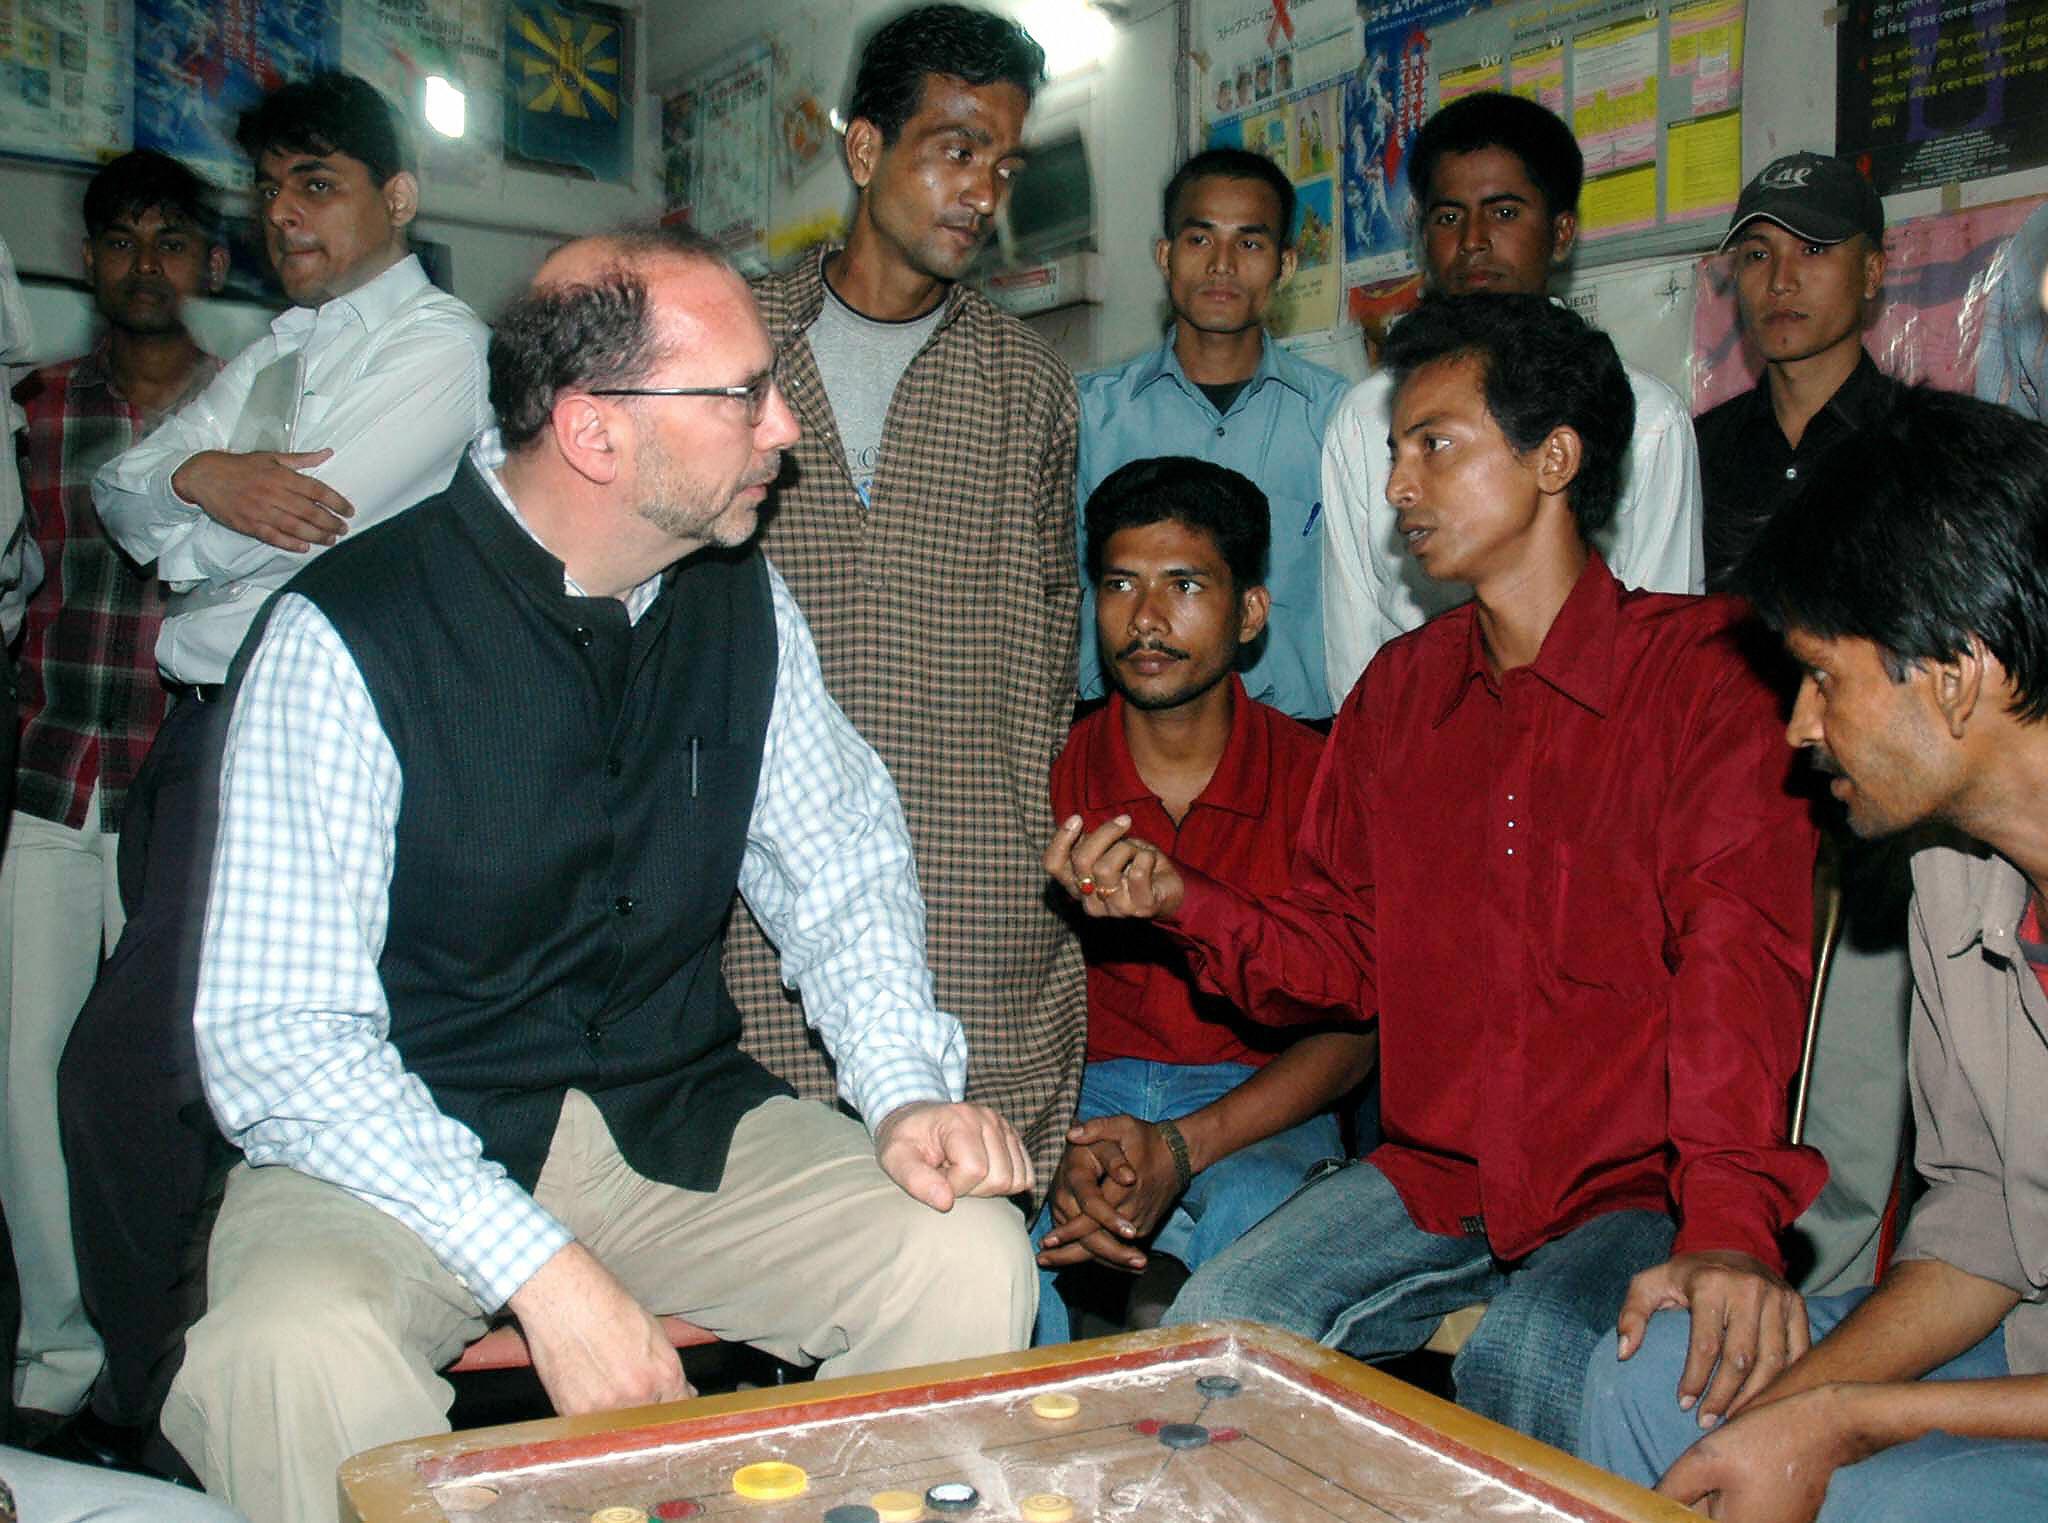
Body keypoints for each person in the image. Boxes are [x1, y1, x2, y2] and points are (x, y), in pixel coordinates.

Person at [162, 226, 1036, 1523]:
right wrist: (544, 1271)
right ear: (594, 433)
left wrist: (906, 1084)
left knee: (960, 1249)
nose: (783, 425)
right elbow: (280, 1037)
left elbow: (837, 858)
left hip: (661, 1114)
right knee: (284, 1355)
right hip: (395, 1136)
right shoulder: (349, 631)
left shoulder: (739, 600)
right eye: (742, 393)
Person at [1048, 294, 1822, 1452]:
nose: (1397, 484)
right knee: (1222, 1335)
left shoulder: (1703, 674)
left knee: (1531, 1360)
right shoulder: (1400, 694)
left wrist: (1722, 1219)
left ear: (1554, 457)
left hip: (1632, 1181)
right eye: (1393, 450)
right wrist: (1179, 899)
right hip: (1436, 1172)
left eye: (1433, 445)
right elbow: (1339, 961)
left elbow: (1735, 969)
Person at [60, 71, 490, 1446]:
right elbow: (123, 491)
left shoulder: (443, 343)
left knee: (126, 1077)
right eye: (271, 187)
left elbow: (309, 522)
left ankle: (157, 1403)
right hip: (190, 736)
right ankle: (205, 1398)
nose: (282, 213)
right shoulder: (278, 348)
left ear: (397, 198)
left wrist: (211, 500)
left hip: (291, 728)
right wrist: (201, 480)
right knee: (196, 1085)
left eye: (318, 184)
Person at [1581, 385, 2048, 1523]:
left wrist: (1843, 1420)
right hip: (2015, 1354)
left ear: (1953, 674)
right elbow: (1981, 1219)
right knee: (1654, 1378)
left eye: (1823, 678)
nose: (1795, 724)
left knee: (1865, 1498)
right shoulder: (1950, 869)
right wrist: (1772, 1418)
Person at [733, 5, 1086, 1193]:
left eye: (1000, 161)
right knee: (767, 1254)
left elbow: (1050, 659)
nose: (980, 190)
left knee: (973, 1240)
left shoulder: (1026, 386)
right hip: (754, 898)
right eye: (951, 148)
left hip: (979, 893)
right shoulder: (730, 352)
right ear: (863, 149)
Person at [1033, 456, 1371, 1343]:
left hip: (1260, 1101)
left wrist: (1185, 1143)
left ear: (1250, 611)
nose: (1146, 619)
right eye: (1119, 584)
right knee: (987, 1257)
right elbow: (992, 1007)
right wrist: (1057, 1142)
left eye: (1185, 584)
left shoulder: (1321, 778)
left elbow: (1357, 1032)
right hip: (1074, 1094)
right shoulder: (1048, 769)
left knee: (1261, 1233)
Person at [2, 151, 225, 1447]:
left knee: (166, 1083)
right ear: (91, 258)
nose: (148, 262)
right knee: (25, 1077)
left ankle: (174, 1343)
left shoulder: (244, 405)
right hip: (48, 782)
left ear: (207, 260)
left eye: (173, 239)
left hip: (185, 796)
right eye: (123, 240)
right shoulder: (34, 407)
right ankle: (52, 1351)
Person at [1696, 151, 1914, 1299]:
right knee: (1723, 1072)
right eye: (1756, 253)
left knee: (1847, 1086)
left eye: (1814, 251)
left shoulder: (1920, 447)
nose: (1781, 279)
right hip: (1717, 822)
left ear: (1873, 272)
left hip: (1864, 823)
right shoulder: (1692, 455)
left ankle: (1824, 1317)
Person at [1319, 91, 1702, 705]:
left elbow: (1665, 637)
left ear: (1560, 232)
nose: (1472, 240)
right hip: (1420, 748)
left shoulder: (1646, 417)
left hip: (1595, 755)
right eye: (1448, 217)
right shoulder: (1365, 417)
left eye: (1503, 213)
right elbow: (1353, 641)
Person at [1076, 149, 1348, 723]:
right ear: (1165, 255)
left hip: (1298, 742)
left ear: (1286, 264)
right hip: (1125, 735)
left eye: (1250, 243)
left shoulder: (1338, 422)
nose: (1222, 264)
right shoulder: (1087, 417)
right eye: (1200, 240)